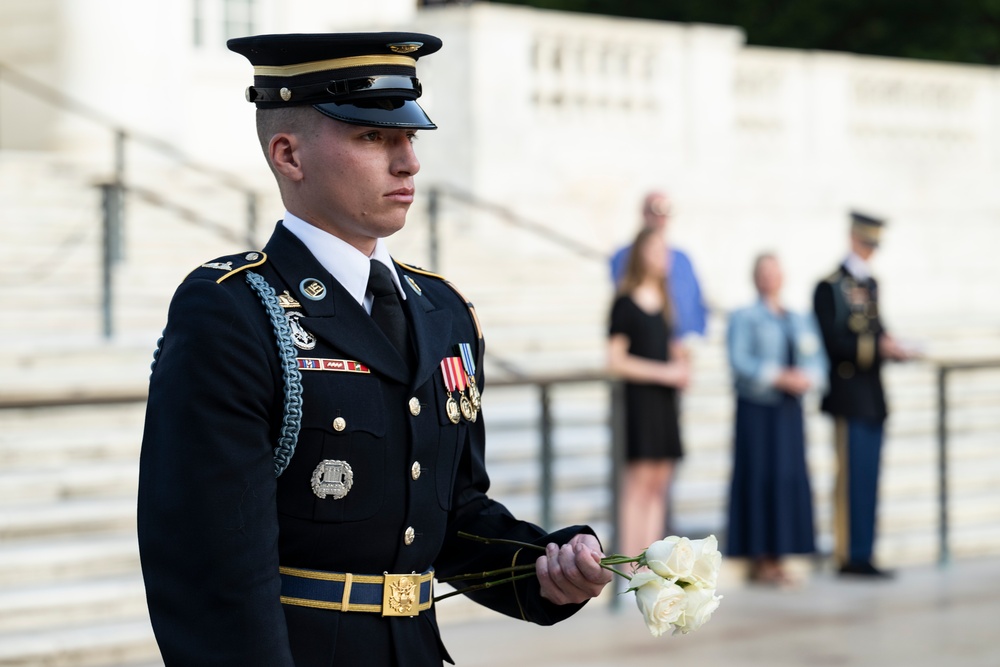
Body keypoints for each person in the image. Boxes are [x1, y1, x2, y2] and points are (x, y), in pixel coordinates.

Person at [136, 32, 611, 667]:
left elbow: (452, 512)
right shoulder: (233, 310)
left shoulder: (442, 311)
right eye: (373, 137)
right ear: (288, 155)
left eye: (410, 137)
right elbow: (209, 562)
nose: (408, 162)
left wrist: (543, 569)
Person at [813, 211, 915, 578]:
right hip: (848, 393)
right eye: (867, 242)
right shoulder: (830, 285)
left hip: (872, 395)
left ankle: (865, 551)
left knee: (869, 478)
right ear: (855, 238)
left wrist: (895, 347)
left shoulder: (870, 284)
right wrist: (878, 347)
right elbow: (835, 341)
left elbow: (877, 330)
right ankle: (848, 555)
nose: (870, 250)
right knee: (850, 479)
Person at [725, 253, 827, 586]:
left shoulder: (797, 319)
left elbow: (817, 361)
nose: (769, 278)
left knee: (787, 477)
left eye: (774, 272)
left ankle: (782, 552)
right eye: (763, 272)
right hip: (758, 407)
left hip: (788, 410)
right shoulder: (745, 317)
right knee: (759, 477)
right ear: (755, 277)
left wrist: (805, 377)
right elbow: (739, 360)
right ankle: (761, 556)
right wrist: (777, 376)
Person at [607, 227, 691, 560]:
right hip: (640, 403)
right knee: (638, 488)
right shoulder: (625, 302)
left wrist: (682, 366)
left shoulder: (667, 302)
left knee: (659, 486)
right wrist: (664, 372)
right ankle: (631, 564)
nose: (663, 257)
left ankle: (652, 564)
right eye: (656, 250)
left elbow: (673, 348)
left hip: (665, 403)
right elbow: (615, 360)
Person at [609, 191, 708, 338]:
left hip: (679, 342)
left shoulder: (682, 259)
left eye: (667, 211)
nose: (661, 218)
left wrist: (694, 335)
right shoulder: (624, 256)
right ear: (644, 212)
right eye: (655, 209)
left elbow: (697, 302)